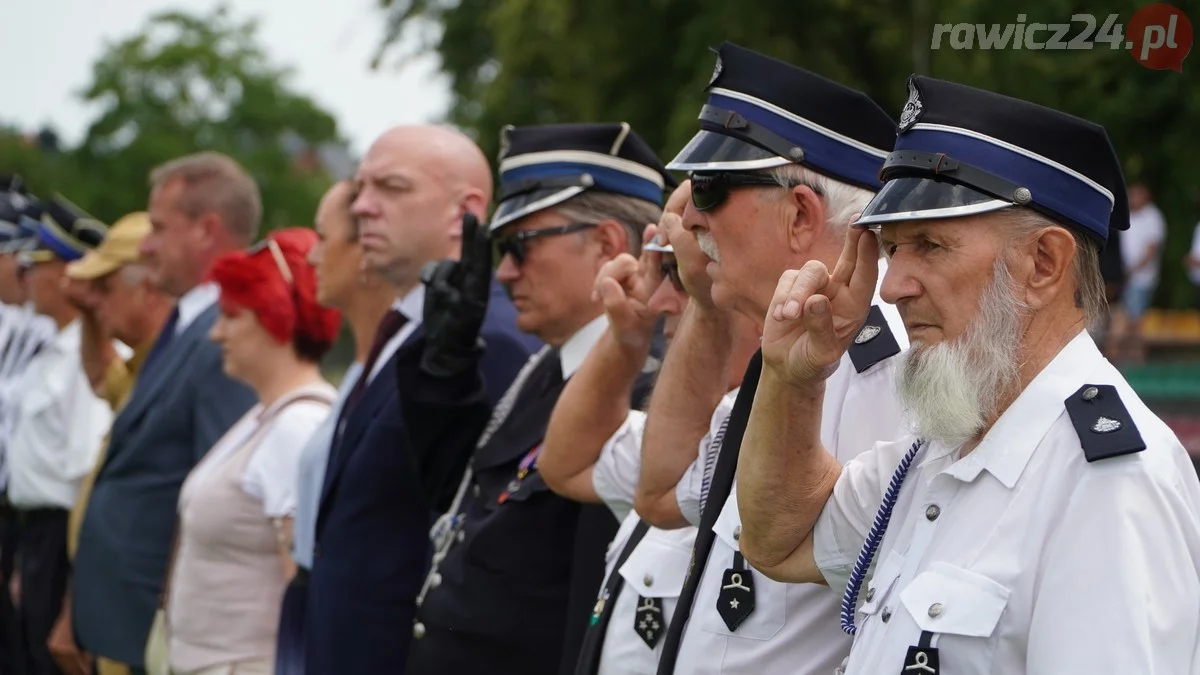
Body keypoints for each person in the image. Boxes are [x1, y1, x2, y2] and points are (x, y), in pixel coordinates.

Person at [736, 74, 1200, 674]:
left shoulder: (1110, 484)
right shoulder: (944, 442)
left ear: (1043, 264)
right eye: (892, 248)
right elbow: (778, 539)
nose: (894, 285)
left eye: (929, 245)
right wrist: (794, 378)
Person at [645, 43, 908, 675]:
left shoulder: (889, 369)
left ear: (799, 215)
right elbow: (660, 495)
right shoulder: (784, 352)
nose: (690, 218)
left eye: (709, 189)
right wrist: (706, 306)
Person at [398, 122, 670, 674]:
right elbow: (458, 491)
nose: (503, 271)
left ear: (606, 244)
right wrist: (445, 366)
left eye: (520, 246)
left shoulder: (649, 389)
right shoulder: (546, 366)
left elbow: (593, 607)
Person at [304, 126, 538, 675]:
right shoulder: (407, 330)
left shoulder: (491, 338)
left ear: (466, 212)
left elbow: (483, 544)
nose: (362, 207)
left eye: (391, 187)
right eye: (361, 187)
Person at [539, 180, 760, 675]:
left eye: (683, 276)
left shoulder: (805, 445)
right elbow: (564, 464)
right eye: (665, 272)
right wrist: (625, 340)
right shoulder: (677, 441)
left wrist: (703, 307)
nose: (659, 300)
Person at [73, 152, 260, 673]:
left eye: (157, 227)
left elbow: (221, 495)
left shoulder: (223, 335)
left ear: (206, 231)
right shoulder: (188, 324)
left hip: (162, 634)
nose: (147, 245)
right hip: (128, 624)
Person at [161, 228, 339, 675]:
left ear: (273, 317)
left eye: (230, 316)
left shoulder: (297, 427)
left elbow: (304, 592)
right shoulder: (266, 415)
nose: (216, 334)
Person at [272, 180, 395, 675]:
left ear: (366, 253)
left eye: (324, 238)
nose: (311, 256)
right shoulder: (359, 372)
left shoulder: (389, 370)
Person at [48, 211, 172, 675]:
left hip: (144, 618)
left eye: (106, 289)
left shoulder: (178, 373)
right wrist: (87, 311)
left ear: (149, 288)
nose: (97, 301)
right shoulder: (148, 366)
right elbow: (103, 378)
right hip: (114, 606)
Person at [7, 196, 116, 675]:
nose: (25, 275)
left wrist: (74, 597)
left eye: (37, 264)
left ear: (68, 272)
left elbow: (84, 486)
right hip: (33, 536)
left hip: (59, 540)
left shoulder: (83, 361)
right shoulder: (53, 349)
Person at [1109, 180, 1166, 362]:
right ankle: (1126, 355)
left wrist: (1132, 271)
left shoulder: (1152, 218)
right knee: (1128, 316)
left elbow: (1151, 250)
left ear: (1146, 197)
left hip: (1140, 278)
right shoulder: (1130, 216)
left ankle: (1133, 356)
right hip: (1125, 275)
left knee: (1133, 318)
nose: (1132, 198)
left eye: (1136, 194)